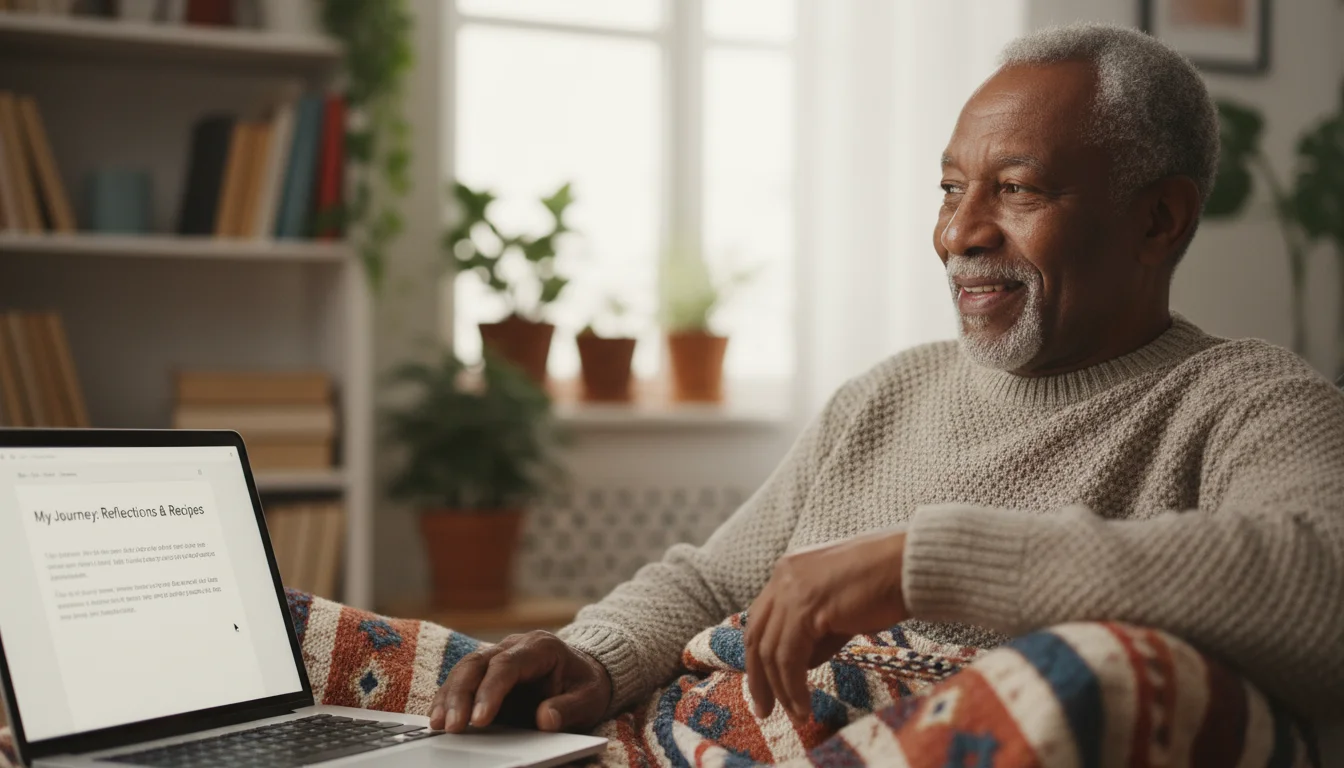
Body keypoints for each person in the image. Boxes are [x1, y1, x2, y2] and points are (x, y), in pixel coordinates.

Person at [429, 22, 1344, 736]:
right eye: (950, 189)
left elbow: (1324, 588)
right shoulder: (885, 393)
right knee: (375, 667)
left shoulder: (1248, 402)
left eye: (1016, 189)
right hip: (658, 735)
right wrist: (592, 656)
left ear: (1159, 221)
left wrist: (921, 564)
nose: (958, 235)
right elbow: (711, 584)